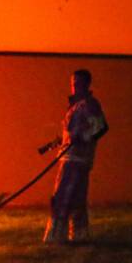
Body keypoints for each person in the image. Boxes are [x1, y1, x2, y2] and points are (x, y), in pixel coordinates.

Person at [43, 69, 108, 244]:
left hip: (75, 159)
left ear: (87, 84)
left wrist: (83, 137)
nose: (74, 86)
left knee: (62, 196)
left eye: (78, 83)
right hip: (72, 157)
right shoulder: (75, 106)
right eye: (73, 83)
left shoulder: (89, 104)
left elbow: (100, 127)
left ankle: (56, 237)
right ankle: (79, 236)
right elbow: (74, 131)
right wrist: (58, 141)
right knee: (77, 199)